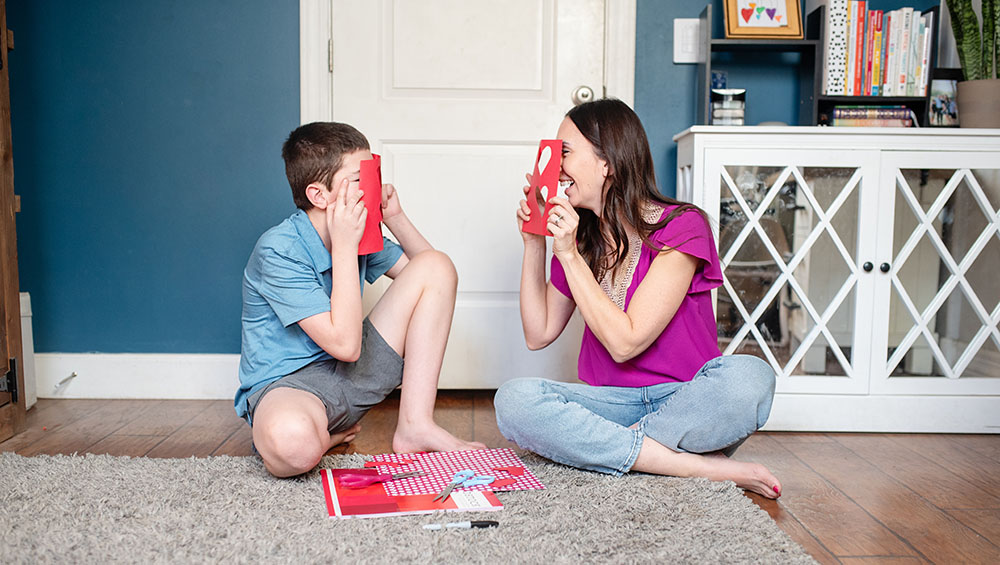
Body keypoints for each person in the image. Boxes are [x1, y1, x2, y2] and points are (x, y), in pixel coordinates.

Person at [494, 99, 781, 498]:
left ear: (606, 162)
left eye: (565, 153)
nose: (554, 167)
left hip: (683, 400)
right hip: (609, 404)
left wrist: (568, 254)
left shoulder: (682, 226)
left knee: (751, 378)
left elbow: (626, 342)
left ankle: (620, 451)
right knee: (514, 400)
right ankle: (691, 465)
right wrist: (534, 242)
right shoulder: (578, 240)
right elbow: (538, 332)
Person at [236, 122, 484, 478]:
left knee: (438, 265)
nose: (370, 187)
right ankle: (325, 438)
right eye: (359, 179)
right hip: (289, 388)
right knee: (294, 446)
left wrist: (394, 218)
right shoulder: (278, 250)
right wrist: (345, 247)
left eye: (373, 173)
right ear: (320, 196)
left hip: (351, 379)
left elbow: (435, 277)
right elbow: (345, 345)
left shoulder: (363, 228)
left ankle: (416, 424)